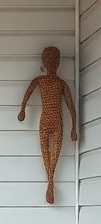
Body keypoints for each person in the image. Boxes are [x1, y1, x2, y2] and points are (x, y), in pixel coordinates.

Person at [17, 45, 77, 204]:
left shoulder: (62, 83)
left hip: (57, 120)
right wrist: (23, 109)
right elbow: (28, 93)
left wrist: (73, 127)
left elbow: (70, 105)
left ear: (58, 62)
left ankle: (50, 183)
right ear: (44, 61)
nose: (51, 62)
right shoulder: (39, 80)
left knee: (55, 152)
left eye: (54, 59)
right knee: (45, 150)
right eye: (48, 58)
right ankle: (50, 183)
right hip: (45, 120)